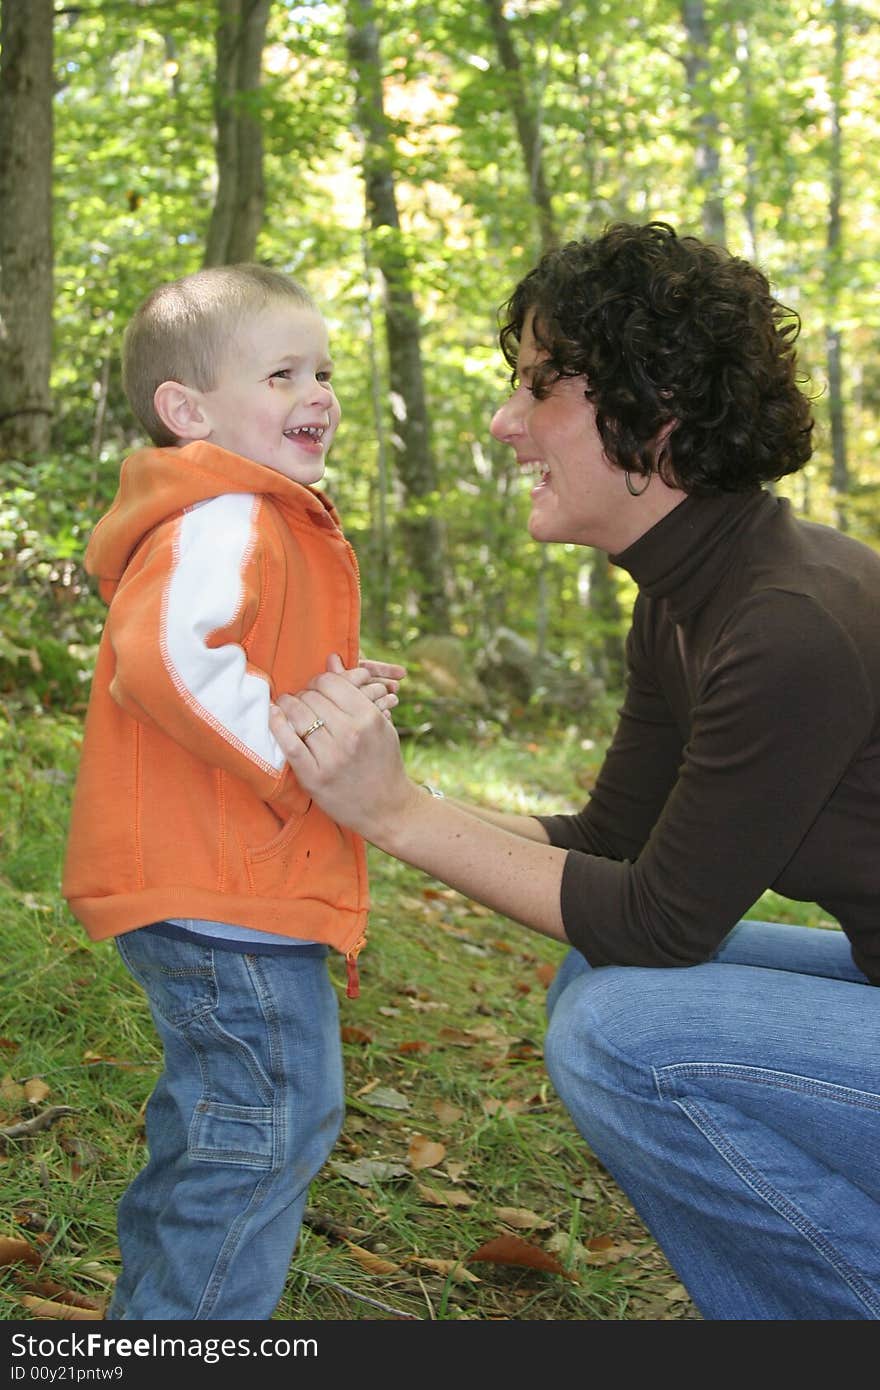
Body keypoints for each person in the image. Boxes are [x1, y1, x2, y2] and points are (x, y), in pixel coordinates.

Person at [269, 222, 880, 1321]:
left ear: (656, 414)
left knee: (622, 1033)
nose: (505, 424)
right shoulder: (686, 598)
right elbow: (612, 849)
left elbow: (661, 922)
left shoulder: (786, 622)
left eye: (538, 387)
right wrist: (357, 789)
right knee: (592, 981)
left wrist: (397, 811)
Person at [62, 263, 404, 1320]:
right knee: (271, 1127)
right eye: (285, 371)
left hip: (222, 877)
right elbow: (166, 660)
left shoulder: (253, 516)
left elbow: (226, 659)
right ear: (188, 409)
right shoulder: (226, 512)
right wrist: (290, 750)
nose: (320, 392)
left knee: (219, 1126)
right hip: (222, 887)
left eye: (326, 371)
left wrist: (323, 696)